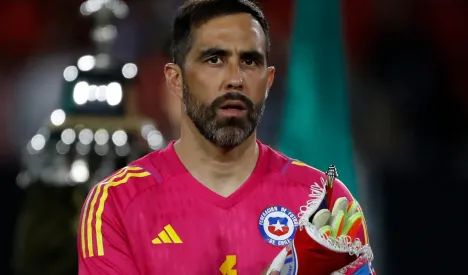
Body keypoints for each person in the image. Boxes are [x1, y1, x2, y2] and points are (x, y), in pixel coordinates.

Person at [77, 0, 374, 274]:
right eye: (214, 60)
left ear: (268, 81)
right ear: (175, 80)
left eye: (249, 61)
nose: (235, 79)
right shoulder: (117, 203)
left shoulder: (322, 201)